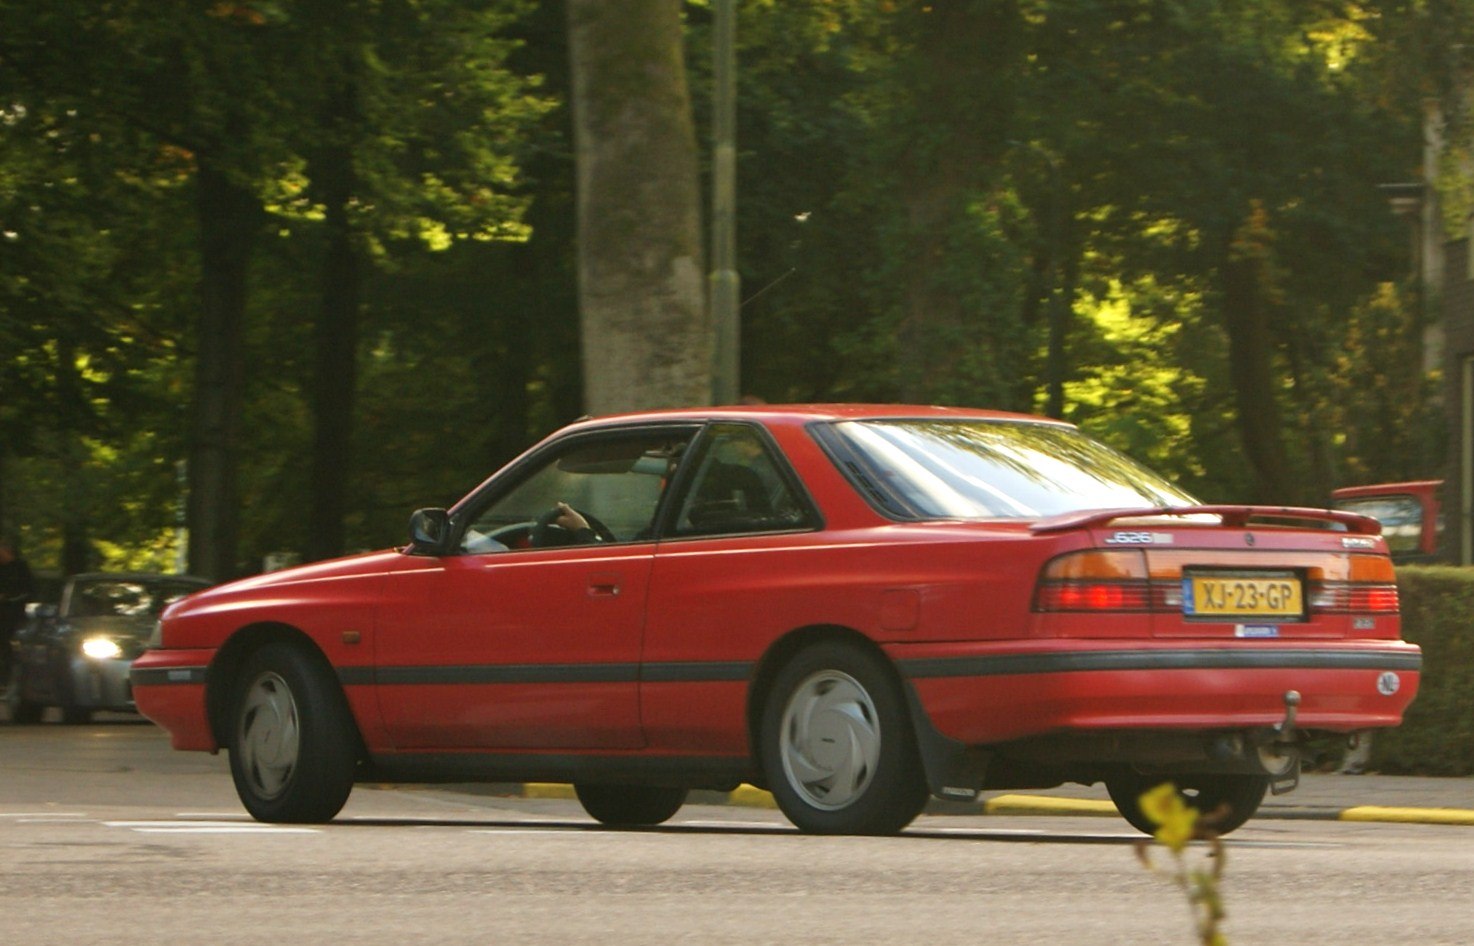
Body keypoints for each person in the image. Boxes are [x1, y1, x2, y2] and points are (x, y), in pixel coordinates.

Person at [0, 536, 37, 686]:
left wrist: (8, 598)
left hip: (14, 615)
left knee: (9, 646)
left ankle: (8, 679)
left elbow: (29, 591)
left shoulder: (21, 568)